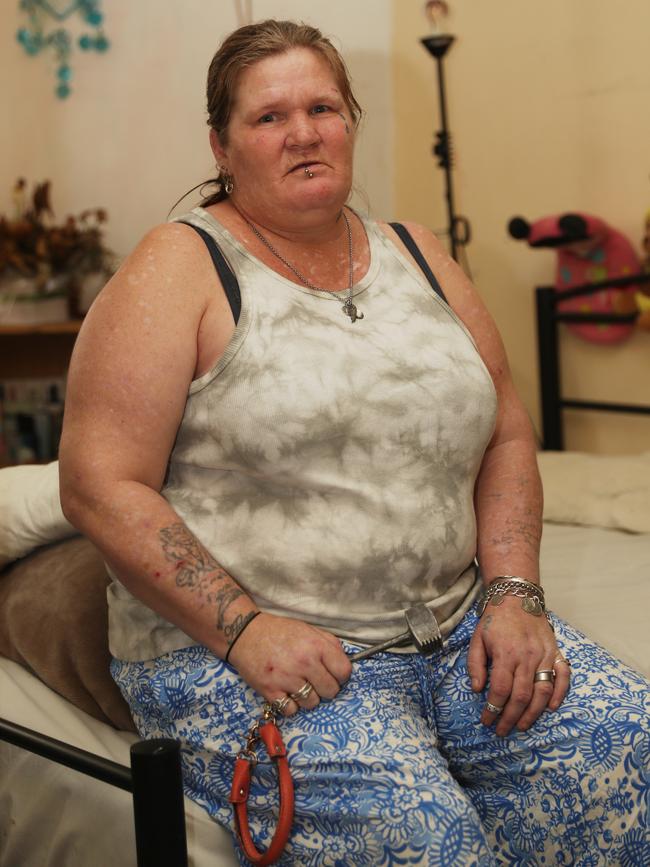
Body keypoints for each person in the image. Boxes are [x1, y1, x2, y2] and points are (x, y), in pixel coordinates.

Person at [59, 19, 649, 867]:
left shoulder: (423, 255)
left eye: (323, 107)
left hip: (453, 632)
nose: (303, 131)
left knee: (629, 744)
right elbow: (98, 484)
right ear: (220, 145)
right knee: (431, 848)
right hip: (255, 652)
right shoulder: (177, 267)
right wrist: (245, 627)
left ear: (351, 123)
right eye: (268, 117)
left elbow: (508, 430)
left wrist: (514, 593)